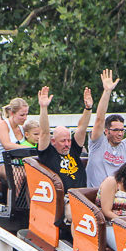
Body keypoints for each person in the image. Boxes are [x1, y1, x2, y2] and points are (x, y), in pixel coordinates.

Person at [37, 85, 92, 225]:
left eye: (68, 140)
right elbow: (44, 132)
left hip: (84, 195)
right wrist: (43, 108)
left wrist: (88, 109)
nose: (67, 144)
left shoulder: (73, 149)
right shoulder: (48, 153)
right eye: (63, 141)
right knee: (77, 217)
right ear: (54, 141)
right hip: (65, 198)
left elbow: (82, 128)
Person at [0, 98, 28, 170]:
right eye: (22, 115)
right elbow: (7, 145)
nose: (25, 118)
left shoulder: (22, 128)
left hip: (19, 163)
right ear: (12, 113)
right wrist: (29, 148)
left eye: (26, 114)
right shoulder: (3, 125)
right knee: (19, 176)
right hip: (3, 163)